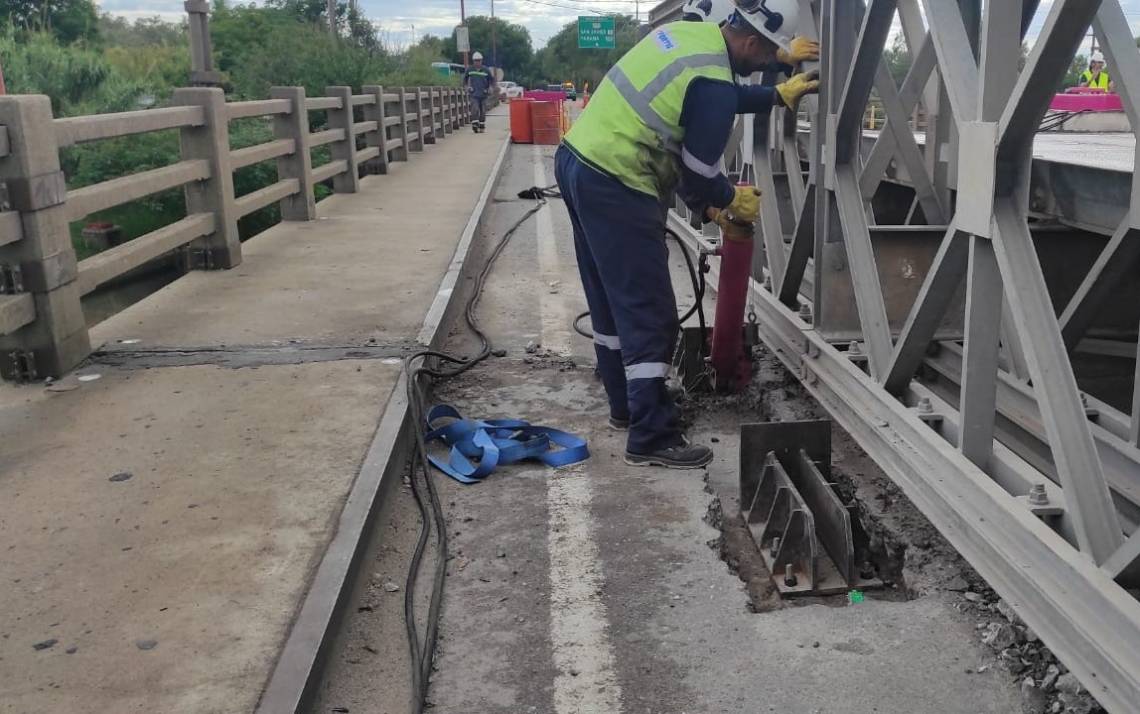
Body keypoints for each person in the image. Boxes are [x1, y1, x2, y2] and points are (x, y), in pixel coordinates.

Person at [556, 1, 820, 469]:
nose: (766, 66)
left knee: (609, 299)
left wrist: (775, 95)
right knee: (649, 310)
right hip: (619, 178)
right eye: (767, 57)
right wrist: (727, 200)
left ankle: (628, 408)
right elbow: (698, 170)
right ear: (752, 42)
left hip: (579, 159)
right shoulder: (716, 79)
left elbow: (713, 94)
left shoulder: (694, 37)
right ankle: (651, 437)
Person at [464, 51, 496, 132]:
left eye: (479, 60)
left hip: (484, 94)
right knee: (475, 109)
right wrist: (467, 87)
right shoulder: (470, 69)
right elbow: (465, 79)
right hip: (474, 94)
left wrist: (491, 87)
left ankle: (482, 125)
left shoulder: (486, 70)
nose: (477, 62)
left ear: (481, 61)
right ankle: (475, 124)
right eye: (475, 60)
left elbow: (492, 80)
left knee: (483, 110)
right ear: (473, 61)